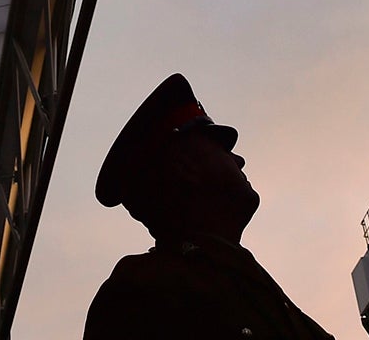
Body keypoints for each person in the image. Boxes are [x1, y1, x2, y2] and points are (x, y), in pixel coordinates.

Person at [84, 74, 334, 340]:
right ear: (185, 168)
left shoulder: (255, 285)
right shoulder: (142, 290)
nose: (240, 159)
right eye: (222, 148)